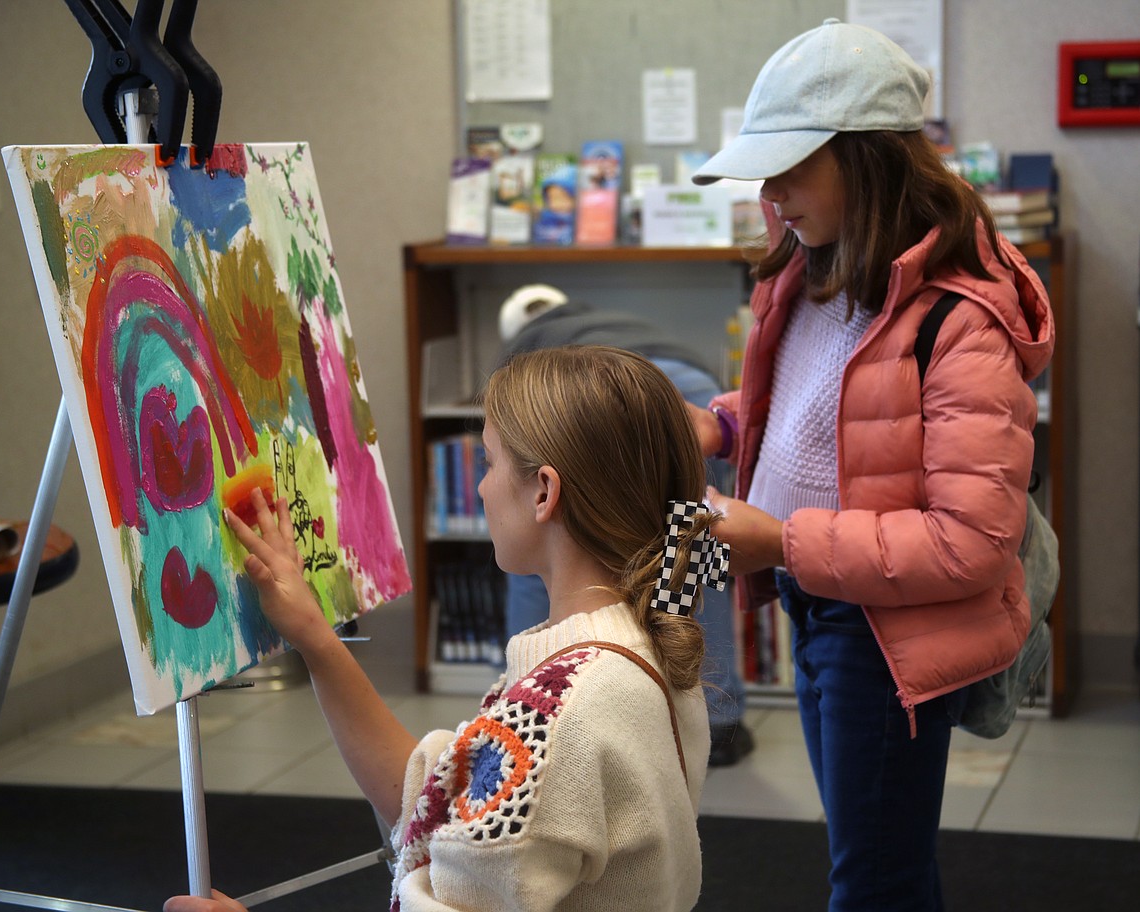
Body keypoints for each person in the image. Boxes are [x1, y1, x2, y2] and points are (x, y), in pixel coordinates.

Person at [688, 18, 1054, 912]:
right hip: (819, 606)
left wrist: (779, 538)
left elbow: (969, 541)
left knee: (872, 882)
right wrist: (721, 427)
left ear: (870, 158)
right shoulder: (812, 274)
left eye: (790, 166)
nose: (771, 193)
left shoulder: (959, 323)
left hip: (883, 633)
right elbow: (830, 416)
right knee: (882, 861)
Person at [165, 345, 725, 912]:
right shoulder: (647, 642)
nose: (480, 488)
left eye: (487, 462)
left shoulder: (559, 715)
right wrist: (315, 637)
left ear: (543, 492)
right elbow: (436, 799)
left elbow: (508, 789)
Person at [495, 283, 753, 767]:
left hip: (607, 403)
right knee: (695, 547)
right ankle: (717, 717)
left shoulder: (523, 352)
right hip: (690, 395)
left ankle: (524, 699)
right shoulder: (602, 316)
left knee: (544, 547)